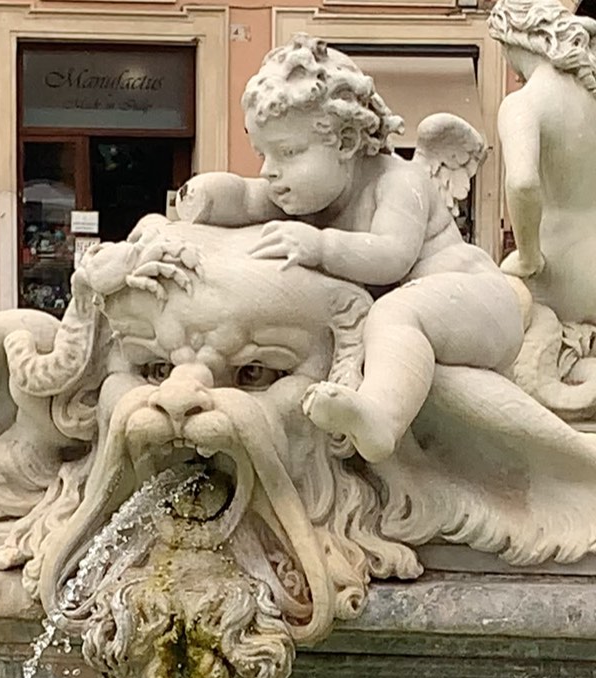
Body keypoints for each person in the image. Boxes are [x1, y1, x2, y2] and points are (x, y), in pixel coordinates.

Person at [181, 34, 524, 464]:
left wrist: (320, 245)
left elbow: (393, 256)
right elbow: (249, 198)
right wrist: (203, 197)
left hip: (476, 301)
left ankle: (381, 419)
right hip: (431, 314)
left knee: (395, 312)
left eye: (288, 152)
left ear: (344, 143)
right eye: (261, 153)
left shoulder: (398, 180)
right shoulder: (305, 195)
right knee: (390, 316)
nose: (269, 171)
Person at [489, 0, 596, 324]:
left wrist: (527, 256)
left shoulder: (523, 104)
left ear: (515, 40)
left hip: (562, 271)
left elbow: (522, 182)